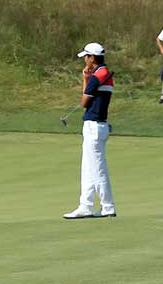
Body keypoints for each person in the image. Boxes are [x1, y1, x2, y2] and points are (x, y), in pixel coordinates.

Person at [64, 42, 116, 219]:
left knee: (97, 169)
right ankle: (85, 205)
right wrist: (87, 78)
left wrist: (86, 79)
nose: (84, 60)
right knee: (88, 168)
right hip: (96, 126)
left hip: (94, 126)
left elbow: (84, 101)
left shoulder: (98, 75)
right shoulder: (104, 73)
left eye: (86, 57)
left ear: (92, 58)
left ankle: (107, 206)